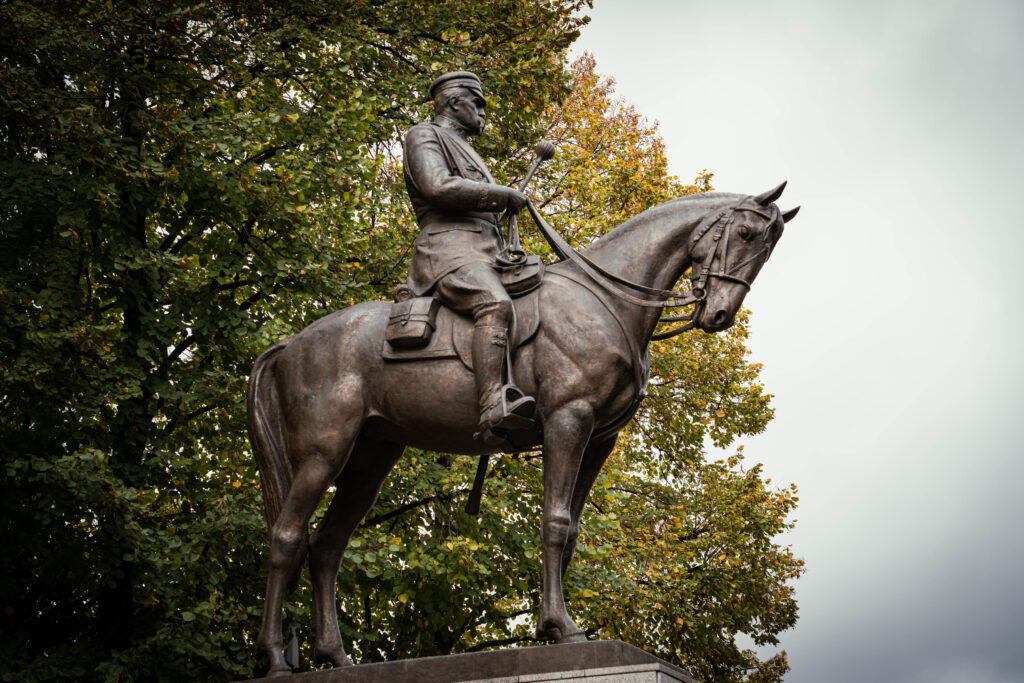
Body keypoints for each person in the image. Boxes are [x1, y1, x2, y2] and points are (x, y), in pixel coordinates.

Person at [402, 71, 534, 442]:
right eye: (477, 102)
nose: (483, 112)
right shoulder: (424, 134)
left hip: (487, 253)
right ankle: (492, 403)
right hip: (449, 252)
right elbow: (437, 186)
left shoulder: (466, 148)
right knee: (495, 303)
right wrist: (502, 195)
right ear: (454, 101)